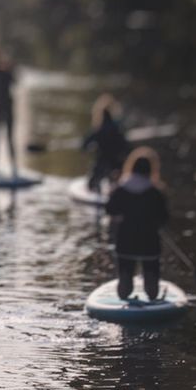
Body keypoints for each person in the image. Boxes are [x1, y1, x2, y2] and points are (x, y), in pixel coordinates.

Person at [104, 147, 169, 302]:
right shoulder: (155, 192)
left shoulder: (120, 189)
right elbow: (164, 218)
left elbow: (110, 209)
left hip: (125, 239)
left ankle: (124, 290)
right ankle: (152, 293)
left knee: (125, 277)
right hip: (149, 240)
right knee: (151, 281)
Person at [81, 93, 130, 192]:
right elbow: (126, 147)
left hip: (102, 162)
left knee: (92, 185)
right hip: (117, 163)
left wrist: (90, 148)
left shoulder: (98, 130)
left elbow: (84, 145)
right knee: (116, 178)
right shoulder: (119, 129)